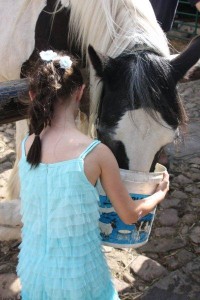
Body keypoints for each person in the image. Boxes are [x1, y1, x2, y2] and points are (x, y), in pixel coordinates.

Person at [17, 50, 169, 300]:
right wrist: (159, 195)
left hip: (34, 268)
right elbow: (129, 215)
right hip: (79, 274)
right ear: (80, 92)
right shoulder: (95, 153)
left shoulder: (26, 145)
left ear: (34, 96)